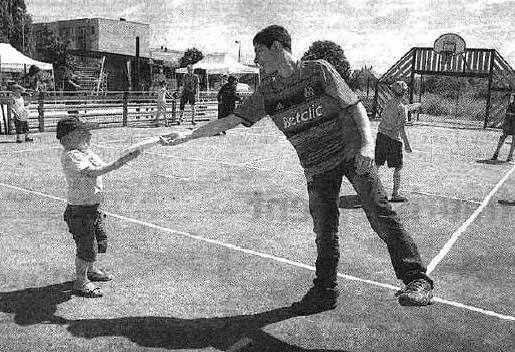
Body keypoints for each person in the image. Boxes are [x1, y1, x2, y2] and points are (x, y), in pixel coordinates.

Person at [160, 25, 434, 312]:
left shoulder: (319, 70)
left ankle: (417, 279)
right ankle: (325, 291)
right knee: (325, 230)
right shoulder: (268, 91)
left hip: (352, 154)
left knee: (380, 213)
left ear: (277, 47)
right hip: (317, 167)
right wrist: (188, 135)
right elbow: (230, 120)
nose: (257, 60)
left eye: (259, 52)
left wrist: (366, 146)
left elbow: (356, 107)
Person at [57, 116, 141, 297]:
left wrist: (125, 158)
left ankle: (91, 269)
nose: (89, 135)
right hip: (80, 210)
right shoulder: (72, 155)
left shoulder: (86, 152)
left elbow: (104, 165)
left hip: (94, 207)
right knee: (86, 245)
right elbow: (93, 172)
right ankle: (81, 281)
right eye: (84, 132)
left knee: (98, 240)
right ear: (69, 138)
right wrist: (121, 162)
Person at [375, 81, 417, 203]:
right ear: (404, 93)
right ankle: (395, 193)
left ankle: (370, 190)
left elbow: (391, 113)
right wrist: (407, 145)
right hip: (393, 141)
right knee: (398, 167)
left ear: (392, 91)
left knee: (377, 165)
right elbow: (401, 129)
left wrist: (404, 109)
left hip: (381, 137)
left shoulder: (387, 103)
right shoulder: (402, 108)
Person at [491, 78, 515, 162]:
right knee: (514, 137)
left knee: (504, 135)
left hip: (509, 116)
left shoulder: (512, 93)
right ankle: (510, 156)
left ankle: (496, 153)